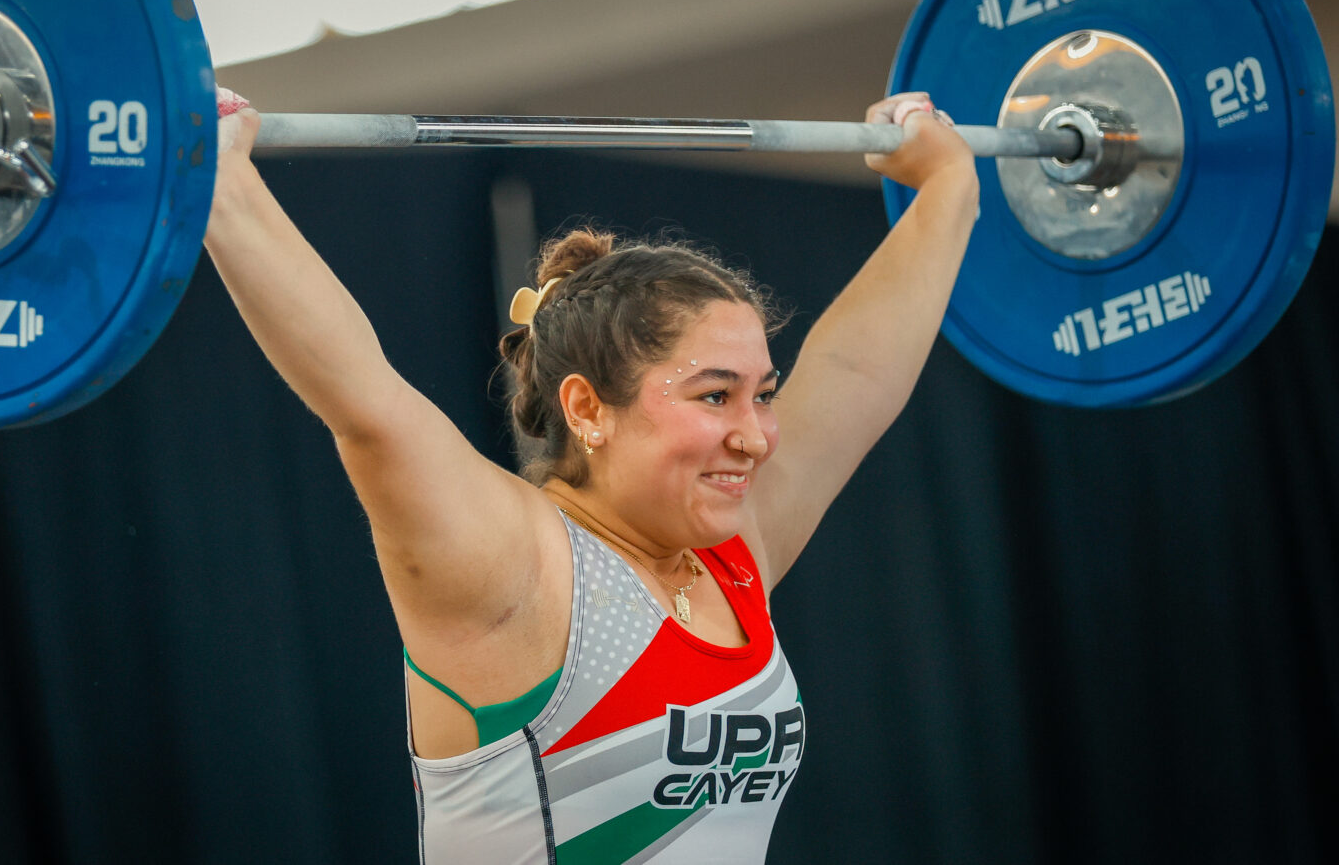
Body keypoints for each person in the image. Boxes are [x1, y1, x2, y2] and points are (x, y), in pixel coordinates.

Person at [205, 90, 978, 863]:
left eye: (763, 394)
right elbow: (366, 404)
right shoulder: (517, 567)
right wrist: (220, 178)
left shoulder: (732, 549)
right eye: (715, 394)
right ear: (587, 407)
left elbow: (856, 370)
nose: (756, 436)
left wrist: (949, 188)